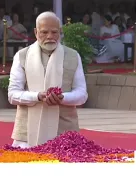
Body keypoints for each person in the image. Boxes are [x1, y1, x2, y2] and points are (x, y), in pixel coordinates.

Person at [8, 12, 88, 148]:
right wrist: (37, 96)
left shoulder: (73, 56)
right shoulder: (22, 56)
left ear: (60, 32)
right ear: (35, 32)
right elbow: (12, 95)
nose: (50, 36)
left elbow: (82, 95)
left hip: (64, 134)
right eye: (44, 32)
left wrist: (62, 97)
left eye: (54, 32)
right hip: (26, 136)